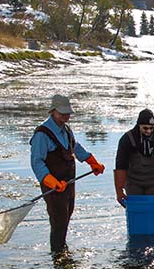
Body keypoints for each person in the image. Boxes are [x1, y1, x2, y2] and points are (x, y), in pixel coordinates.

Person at [29, 94, 105, 252]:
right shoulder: (42, 134)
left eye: (67, 112)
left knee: (67, 215)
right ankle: (57, 256)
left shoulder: (66, 130)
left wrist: (92, 162)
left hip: (69, 184)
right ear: (53, 111)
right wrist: (50, 181)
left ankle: (62, 250)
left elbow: (75, 147)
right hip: (53, 187)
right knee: (58, 221)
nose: (66, 115)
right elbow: (37, 162)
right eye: (62, 112)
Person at [113, 109, 154, 208]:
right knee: (137, 210)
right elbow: (120, 166)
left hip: (153, 182)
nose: (148, 131)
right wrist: (119, 191)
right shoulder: (127, 139)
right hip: (133, 182)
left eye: (151, 128)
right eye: (145, 128)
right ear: (138, 125)